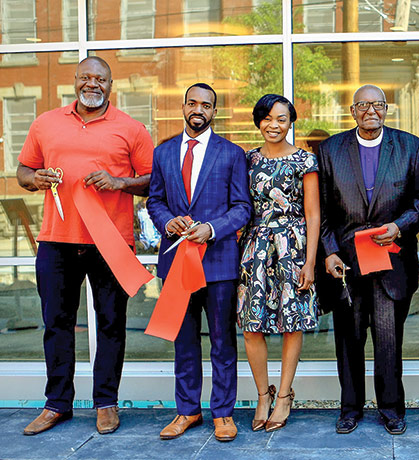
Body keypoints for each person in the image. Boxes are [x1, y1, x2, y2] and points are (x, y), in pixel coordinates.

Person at [17, 56, 153, 436]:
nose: (93, 84)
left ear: (112, 85)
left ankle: (106, 403)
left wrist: (120, 182)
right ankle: (57, 404)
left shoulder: (131, 128)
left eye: (101, 79)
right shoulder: (46, 123)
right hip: (56, 240)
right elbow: (23, 169)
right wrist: (35, 178)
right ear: (75, 81)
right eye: (86, 78)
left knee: (112, 324)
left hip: (110, 241)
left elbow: (151, 180)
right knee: (56, 324)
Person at [318, 84, 419, 435]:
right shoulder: (330, 150)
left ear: (386, 109)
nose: (371, 111)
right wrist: (329, 251)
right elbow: (320, 210)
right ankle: (350, 407)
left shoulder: (411, 147)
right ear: (352, 111)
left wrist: (399, 226)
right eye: (363, 105)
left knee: (388, 340)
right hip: (346, 266)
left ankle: (392, 409)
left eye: (378, 104)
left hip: (390, 261)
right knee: (348, 341)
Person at [147, 83, 253, 442]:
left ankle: (223, 413)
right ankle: (187, 411)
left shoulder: (232, 154)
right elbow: (154, 200)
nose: (198, 109)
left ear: (214, 112)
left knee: (223, 342)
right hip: (177, 261)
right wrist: (166, 221)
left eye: (206, 105)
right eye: (192, 103)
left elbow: (242, 208)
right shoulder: (163, 153)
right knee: (184, 341)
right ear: (183, 106)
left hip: (219, 261)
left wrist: (212, 228)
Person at [237, 94, 320, 433]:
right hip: (255, 246)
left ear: (290, 122)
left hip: (293, 246)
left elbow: (314, 214)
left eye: (281, 119)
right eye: (267, 118)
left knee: (291, 321)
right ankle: (262, 394)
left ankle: (284, 395)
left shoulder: (305, 160)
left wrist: (311, 262)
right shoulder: (246, 160)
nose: (274, 125)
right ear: (259, 121)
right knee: (251, 323)